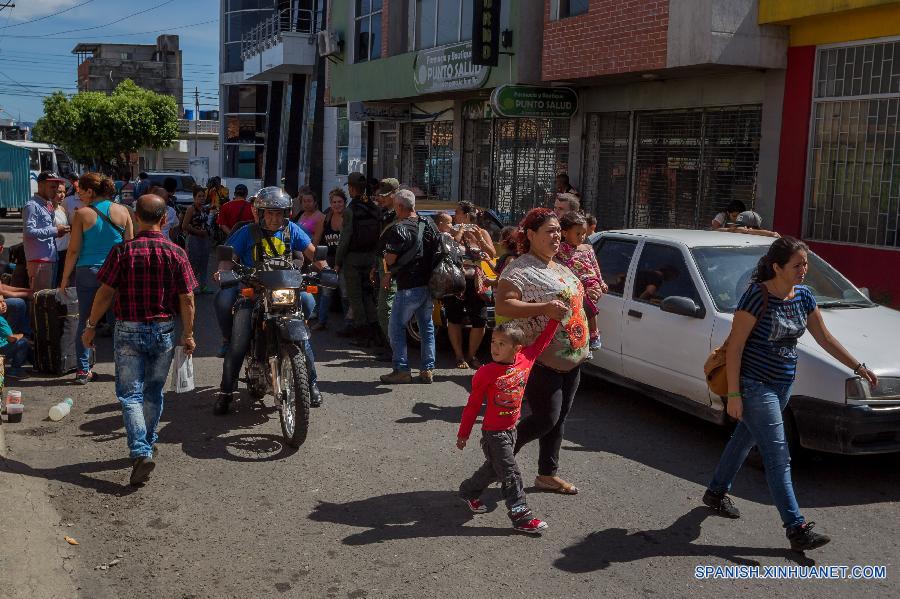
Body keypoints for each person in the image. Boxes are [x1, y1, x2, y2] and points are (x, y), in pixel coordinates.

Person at [703, 236, 877, 552]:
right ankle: (796, 527)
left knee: (745, 438)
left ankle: (715, 492)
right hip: (755, 385)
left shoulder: (805, 297)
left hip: (783, 384)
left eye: (806, 264)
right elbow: (736, 347)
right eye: (797, 265)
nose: (804, 270)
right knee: (778, 456)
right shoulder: (756, 297)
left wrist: (857, 365)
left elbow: (824, 337)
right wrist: (734, 394)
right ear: (777, 267)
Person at [81, 194, 197, 487]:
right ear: (164, 219)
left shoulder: (122, 252)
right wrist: (188, 334)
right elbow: (188, 298)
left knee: (130, 394)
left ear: (135, 217)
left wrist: (91, 326)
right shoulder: (177, 252)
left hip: (129, 329)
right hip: (164, 329)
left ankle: (141, 449)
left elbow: (104, 293)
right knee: (153, 391)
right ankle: (147, 441)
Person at [495, 208, 589, 495]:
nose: (557, 236)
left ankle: (547, 475)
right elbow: (503, 306)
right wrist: (543, 308)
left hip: (571, 360)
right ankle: (498, 458)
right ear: (531, 235)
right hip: (540, 360)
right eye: (550, 231)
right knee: (545, 419)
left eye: (558, 231)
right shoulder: (520, 269)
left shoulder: (558, 266)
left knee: (558, 420)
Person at [214, 187, 327, 414]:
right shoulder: (247, 232)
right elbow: (229, 259)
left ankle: (311, 383)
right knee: (239, 339)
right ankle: (226, 391)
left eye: (279, 213)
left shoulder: (292, 230)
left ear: (286, 214)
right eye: (270, 213)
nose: (275, 218)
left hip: (285, 292)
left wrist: (327, 269)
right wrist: (222, 271)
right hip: (254, 292)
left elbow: (314, 254)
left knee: (306, 315)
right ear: (260, 212)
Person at [456, 320, 560, 534]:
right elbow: (473, 405)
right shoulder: (485, 372)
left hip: (511, 429)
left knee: (495, 469)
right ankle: (521, 514)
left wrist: (555, 319)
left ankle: (468, 491)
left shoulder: (525, 360)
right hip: (494, 433)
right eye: (493, 341)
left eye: (502, 343)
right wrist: (463, 433)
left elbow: (543, 341)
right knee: (511, 472)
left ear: (517, 348)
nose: (495, 347)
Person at [59, 172, 134, 385]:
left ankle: (83, 371)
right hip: (116, 273)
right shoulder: (124, 211)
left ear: (90, 191)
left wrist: (64, 279)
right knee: (119, 322)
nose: (78, 194)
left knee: (85, 320)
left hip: (88, 272)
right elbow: (129, 246)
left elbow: (73, 251)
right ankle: (123, 369)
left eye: (81, 190)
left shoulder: (82, 214)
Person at [379, 189, 440, 384]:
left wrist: (387, 268)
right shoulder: (429, 223)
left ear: (399, 207)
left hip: (408, 286)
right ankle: (428, 369)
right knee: (426, 327)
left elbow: (390, 258)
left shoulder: (399, 228)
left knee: (396, 327)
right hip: (428, 284)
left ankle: (401, 369)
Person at [444, 201, 495, 369]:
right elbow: (447, 250)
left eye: (457, 212)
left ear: (465, 215)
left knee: (480, 319)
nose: (454, 215)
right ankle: (459, 356)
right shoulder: (452, 232)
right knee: (454, 317)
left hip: (476, 281)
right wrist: (458, 233)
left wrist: (480, 240)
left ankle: (471, 355)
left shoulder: (482, 232)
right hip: (456, 280)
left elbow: (492, 253)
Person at [334, 172, 380, 340]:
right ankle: (375, 329)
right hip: (371, 257)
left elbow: (345, 239)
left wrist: (338, 261)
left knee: (355, 297)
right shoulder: (374, 207)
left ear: (352, 189)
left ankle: (362, 333)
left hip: (353, 259)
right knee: (368, 294)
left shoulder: (350, 210)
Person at [556, 211, 607, 352]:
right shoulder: (559, 249)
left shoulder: (588, 249)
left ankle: (593, 334)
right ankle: (584, 343)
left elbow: (595, 266)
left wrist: (601, 282)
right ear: (565, 233)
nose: (582, 237)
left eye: (584, 233)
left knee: (585, 306)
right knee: (578, 311)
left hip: (590, 282)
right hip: (575, 285)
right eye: (578, 234)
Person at [365, 178, 399, 358]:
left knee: (386, 308)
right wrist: (374, 265)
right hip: (381, 262)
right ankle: (388, 343)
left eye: (385, 196)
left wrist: (388, 270)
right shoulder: (385, 214)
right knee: (382, 305)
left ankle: (395, 348)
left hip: (391, 266)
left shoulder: (399, 216)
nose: (381, 199)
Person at [23, 171, 70, 292]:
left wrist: (58, 232)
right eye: (52, 187)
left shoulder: (47, 204)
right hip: (39, 260)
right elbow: (29, 231)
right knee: (40, 299)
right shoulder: (32, 205)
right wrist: (55, 230)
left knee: (49, 297)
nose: (55, 190)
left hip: (51, 258)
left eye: (56, 187)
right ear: (41, 186)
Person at [311, 188, 347, 332]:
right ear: (330, 203)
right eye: (334, 202)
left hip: (344, 260)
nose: (337, 205)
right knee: (326, 292)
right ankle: (322, 321)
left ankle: (348, 325)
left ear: (345, 202)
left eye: (339, 202)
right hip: (328, 260)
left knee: (345, 293)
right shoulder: (325, 219)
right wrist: (315, 260)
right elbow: (315, 241)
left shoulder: (348, 218)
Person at [182, 186, 214, 295]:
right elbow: (185, 225)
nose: (202, 198)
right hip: (194, 239)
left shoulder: (205, 209)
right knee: (194, 263)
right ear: (194, 197)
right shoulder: (191, 209)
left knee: (204, 263)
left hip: (205, 239)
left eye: (203, 196)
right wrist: (197, 231)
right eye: (199, 196)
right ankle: (191, 287)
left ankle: (203, 286)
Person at [0, 312, 32, 379]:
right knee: (24, 342)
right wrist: (21, 335)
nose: (3, 304)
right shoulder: (1, 320)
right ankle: (15, 370)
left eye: (3, 301)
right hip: (1, 352)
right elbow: (11, 339)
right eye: (0, 302)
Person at [52, 180, 70, 288]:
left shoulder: (62, 209)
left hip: (65, 250)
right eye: (59, 191)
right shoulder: (47, 210)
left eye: (64, 191)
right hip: (55, 252)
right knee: (54, 282)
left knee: (62, 281)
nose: (62, 194)